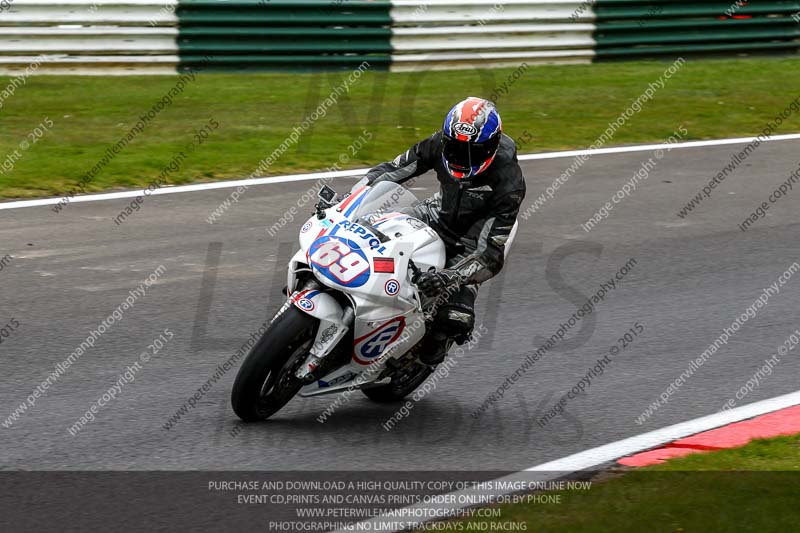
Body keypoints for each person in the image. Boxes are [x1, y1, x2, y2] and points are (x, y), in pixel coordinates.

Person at [363, 96, 526, 364]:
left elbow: (490, 256)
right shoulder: (439, 141)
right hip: (434, 215)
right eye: (456, 149)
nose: (463, 158)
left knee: (454, 319)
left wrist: (450, 277)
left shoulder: (509, 183)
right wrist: (350, 197)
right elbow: (395, 169)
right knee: (369, 233)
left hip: (471, 245)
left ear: (492, 146)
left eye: (474, 150)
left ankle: (430, 347)